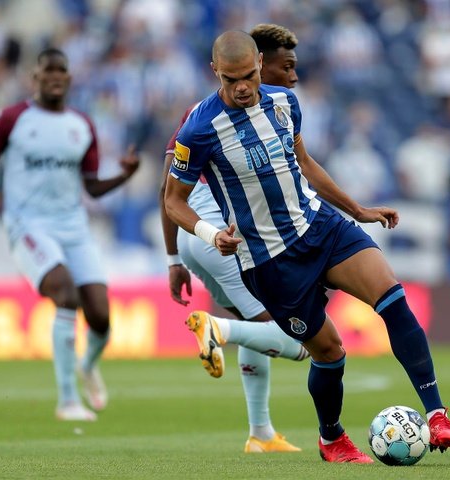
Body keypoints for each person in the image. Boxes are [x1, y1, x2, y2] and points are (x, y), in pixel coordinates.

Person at [165, 30, 450, 463]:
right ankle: (331, 438)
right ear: (215, 73)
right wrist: (211, 235)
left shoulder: (284, 102)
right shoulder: (199, 129)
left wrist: (356, 209)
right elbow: (173, 199)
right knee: (329, 352)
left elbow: (304, 163)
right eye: (231, 80)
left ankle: (437, 413)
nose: (242, 87)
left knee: (393, 300)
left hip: (320, 226)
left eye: (248, 76)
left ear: (259, 66)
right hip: (270, 261)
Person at [0, 48, 140, 421]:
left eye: (62, 71)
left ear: (70, 79)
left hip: (73, 227)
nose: (55, 77)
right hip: (28, 225)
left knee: (101, 316)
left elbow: (91, 188)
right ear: (35, 77)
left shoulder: (82, 126)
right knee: (65, 292)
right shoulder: (12, 118)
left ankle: (87, 365)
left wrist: (125, 175)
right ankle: (67, 400)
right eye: (48, 71)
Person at [160, 24, 309, 453]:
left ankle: (260, 432)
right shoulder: (206, 118)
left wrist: (175, 257)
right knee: (298, 339)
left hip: (200, 240)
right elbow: (170, 190)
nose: (292, 77)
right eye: (286, 67)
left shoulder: (269, 112)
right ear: (256, 61)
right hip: (219, 236)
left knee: (253, 327)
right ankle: (216, 329)